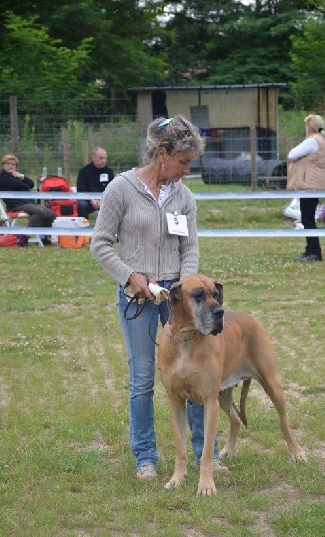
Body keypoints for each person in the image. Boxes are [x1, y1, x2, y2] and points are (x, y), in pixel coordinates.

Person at [90, 115, 229, 480]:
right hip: (136, 298)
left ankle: (206, 456)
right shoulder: (120, 189)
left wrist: (183, 292)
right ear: (162, 154)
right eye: (184, 162)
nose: (187, 170)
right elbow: (100, 244)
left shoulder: (184, 197)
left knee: (198, 374)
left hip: (180, 300)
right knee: (142, 377)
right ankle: (146, 457)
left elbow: (190, 250)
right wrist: (130, 276)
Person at [287, 114, 325, 262]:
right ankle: (310, 249)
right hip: (314, 185)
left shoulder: (312, 141)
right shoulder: (321, 140)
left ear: (310, 126)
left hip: (309, 185)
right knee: (308, 218)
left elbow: (292, 154)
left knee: (308, 218)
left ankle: (314, 252)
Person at [0, 154, 56, 247]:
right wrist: (22, 181)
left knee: (51, 214)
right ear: (3, 165)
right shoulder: (4, 177)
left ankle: (42, 236)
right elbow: (24, 186)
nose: (10, 166)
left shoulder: (15, 175)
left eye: (13, 164)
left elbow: (31, 184)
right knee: (40, 212)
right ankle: (24, 236)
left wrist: (22, 176)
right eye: (8, 164)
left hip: (27, 202)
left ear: (16, 166)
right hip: (16, 205)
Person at [76, 147, 115, 219]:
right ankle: (83, 226)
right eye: (101, 158)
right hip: (88, 200)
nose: (104, 161)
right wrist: (91, 200)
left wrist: (103, 201)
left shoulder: (109, 171)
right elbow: (81, 190)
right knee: (82, 205)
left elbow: (112, 190)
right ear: (93, 158)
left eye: (105, 158)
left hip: (105, 199)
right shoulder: (84, 171)